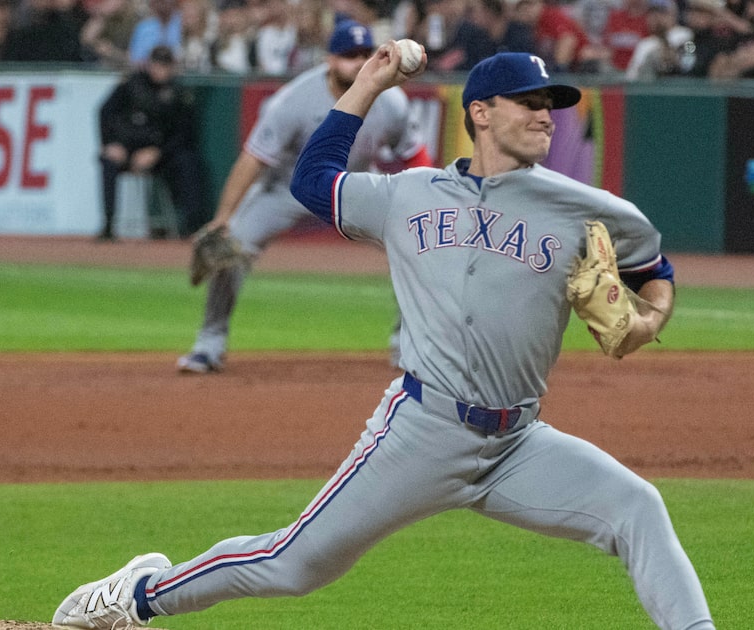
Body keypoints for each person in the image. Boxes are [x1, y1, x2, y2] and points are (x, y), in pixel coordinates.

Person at [53, 48, 713, 630]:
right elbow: (312, 180)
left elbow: (654, 270)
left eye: (551, 105)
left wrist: (649, 320)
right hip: (423, 431)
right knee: (293, 564)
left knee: (637, 506)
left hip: (518, 443)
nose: (547, 116)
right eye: (530, 103)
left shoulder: (589, 209)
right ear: (481, 113)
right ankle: (137, 595)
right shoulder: (407, 195)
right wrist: (368, 84)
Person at [174, 19, 430, 374]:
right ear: (329, 59)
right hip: (288, 189)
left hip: (353, 187)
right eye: (348, 55)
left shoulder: (392, 102)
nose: (358, 62)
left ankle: (406, 346)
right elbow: (253, 158)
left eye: (363, 53)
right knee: (232, 248)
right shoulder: (294, 100)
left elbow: (414, 155)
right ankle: (209, 344)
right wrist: (224, 217)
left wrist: (426, 206)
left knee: (421, 247)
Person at [96, 45, 209, 241]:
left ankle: (192, 226)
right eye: (156, 64)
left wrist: (158, 152)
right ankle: (108, 225)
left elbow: (183, 133)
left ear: (172, 67)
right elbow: (105, 113)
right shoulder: (131, 85)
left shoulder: (179, 93)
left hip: (161, 152)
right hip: (128, 148)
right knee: (108, 161)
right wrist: (111, 143)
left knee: (188, 161)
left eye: (164, 65)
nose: (159, 70)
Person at [626, 0, 699, 80]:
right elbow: (632, 76)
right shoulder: (644, 44)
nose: (656, 17)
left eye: (662, 13)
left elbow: (689, 63)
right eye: (652, 13)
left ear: (673, 15)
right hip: (649, 86)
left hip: (678, 84)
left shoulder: (685, 35)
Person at [128, 0, 181, 64]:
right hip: (148, 68)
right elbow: (135, 58)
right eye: (162, 2)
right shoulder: (143, 27)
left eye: (169, 2)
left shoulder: (181, 23)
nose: (165, 6)